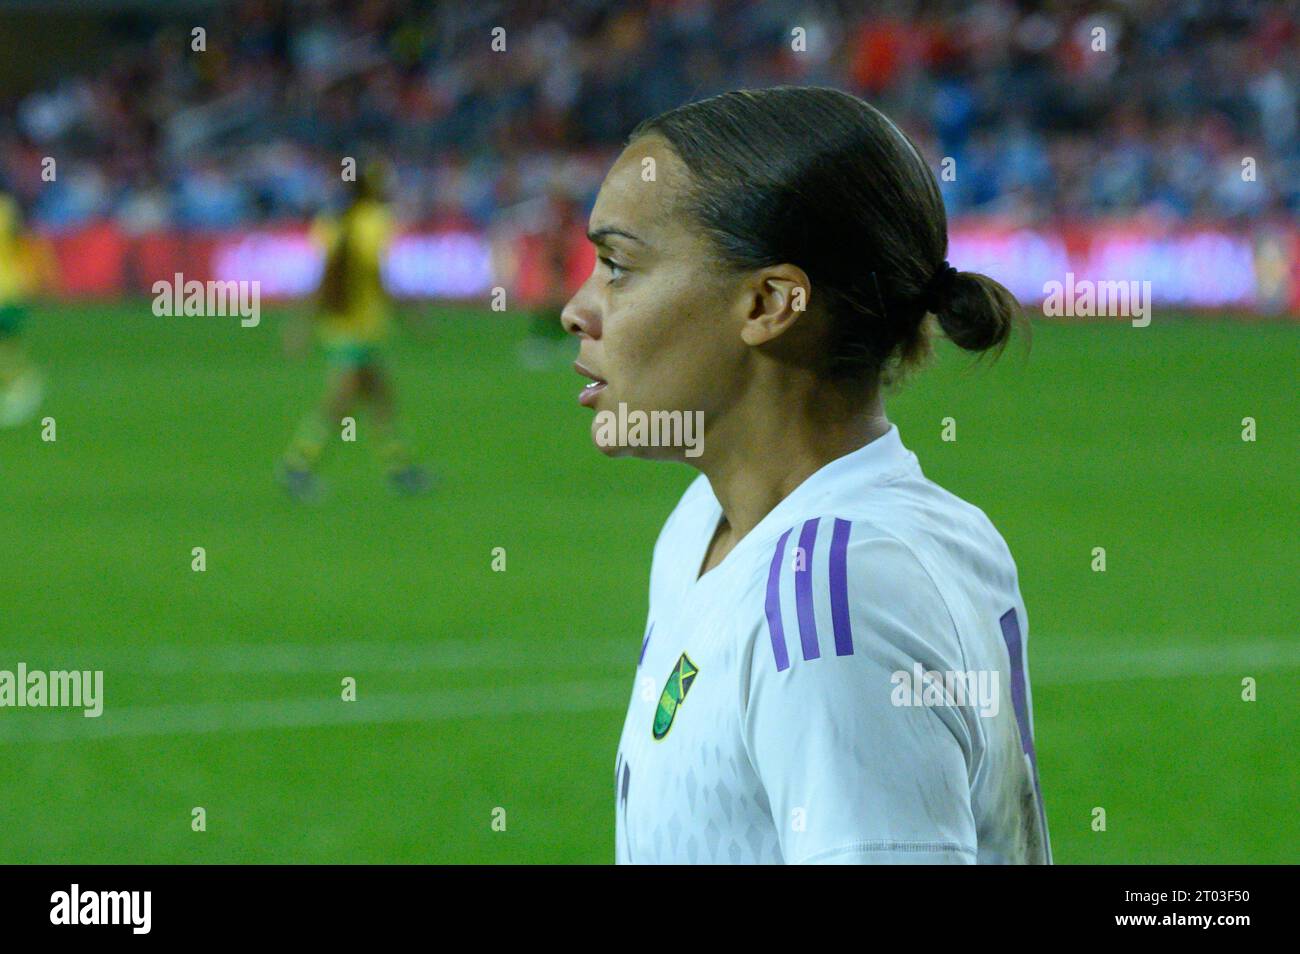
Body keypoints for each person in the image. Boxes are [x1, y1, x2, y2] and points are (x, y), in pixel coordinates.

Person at [561, 87, 1049, 864]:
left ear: (770, 302)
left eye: (618, 266)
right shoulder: (709, 522)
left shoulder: (839, 595)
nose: (576, 310)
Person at [278, 161, 430, 499]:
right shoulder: (374, 222)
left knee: (379, 398)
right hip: (360, 327)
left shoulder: (331, 223)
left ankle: (400, 469)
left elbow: (323, 278)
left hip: (341, 325)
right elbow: (377, 275)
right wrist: (408, 310)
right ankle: (297, 466)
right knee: (340, 402)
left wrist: (302, 322)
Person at [0, 191, 49, 428]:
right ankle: (20, 380)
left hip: (6, 290)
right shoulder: (9, 207)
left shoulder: (8, 209)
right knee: (6, 344)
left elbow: (27, 242)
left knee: (6, 344)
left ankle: (22, 382)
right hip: (12, 288)